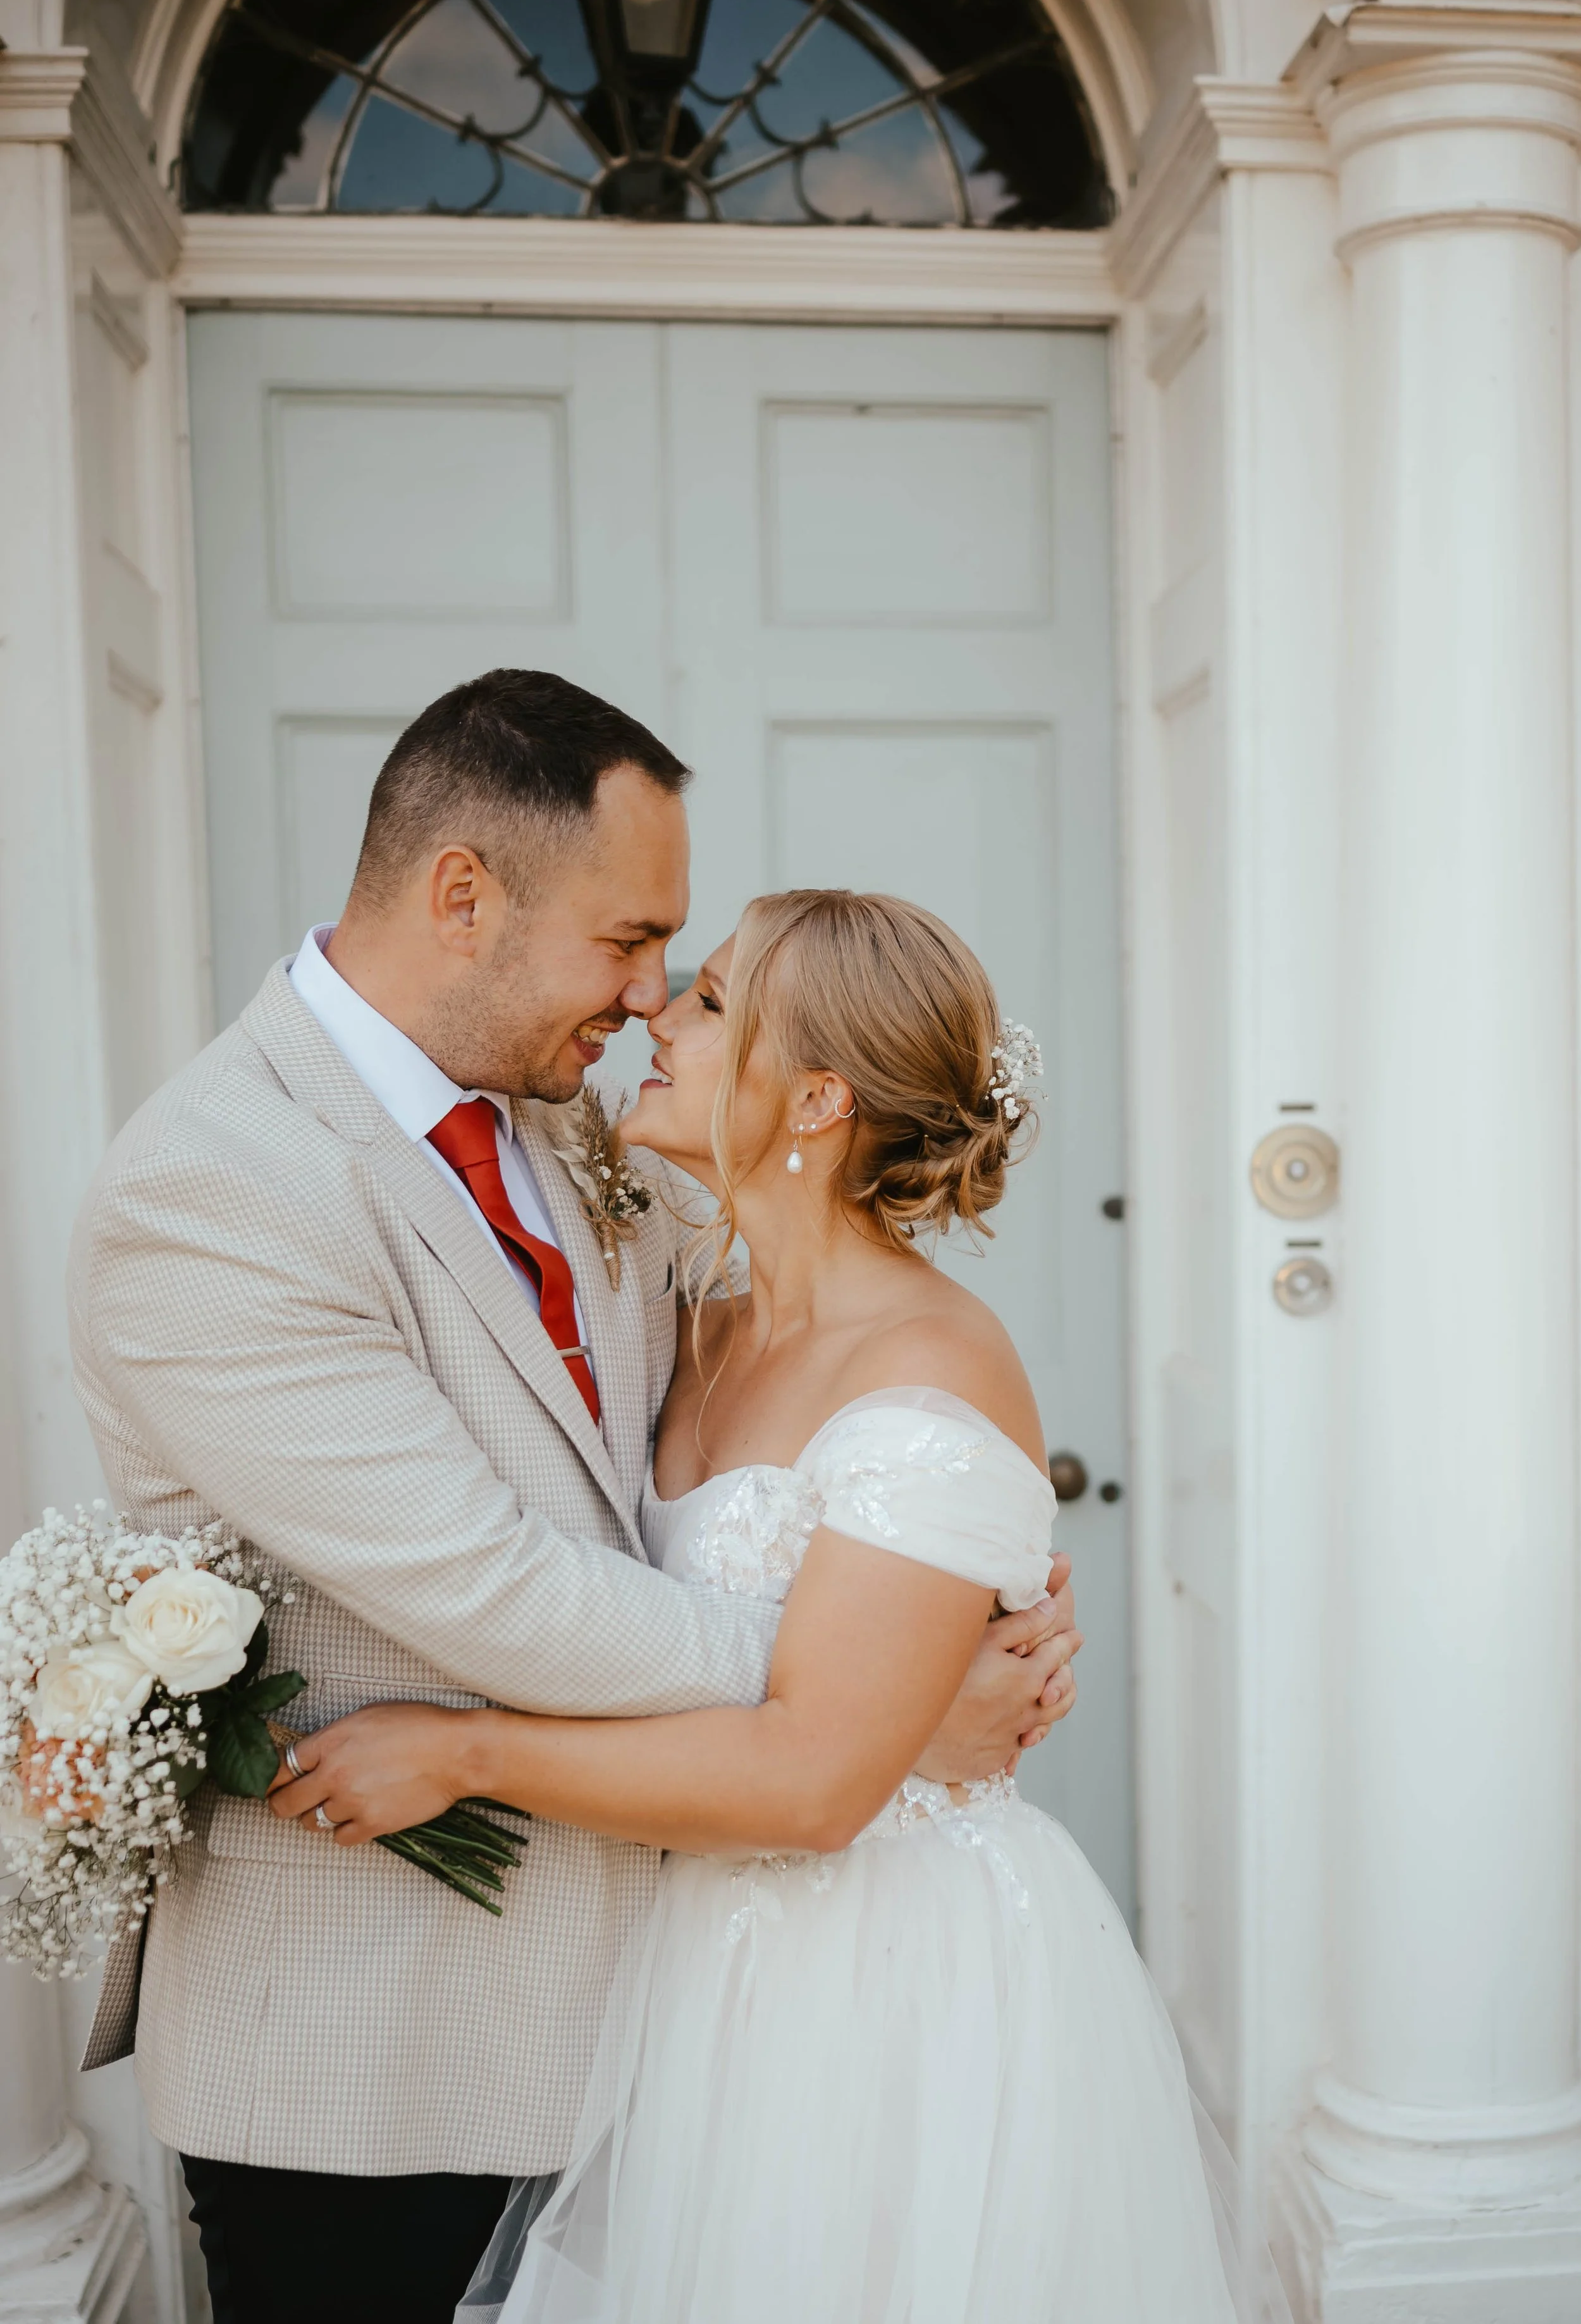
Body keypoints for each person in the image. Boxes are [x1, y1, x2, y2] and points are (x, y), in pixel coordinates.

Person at [67, 672, 1076, 2324]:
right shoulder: (213, 1189)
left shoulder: (581, 1120)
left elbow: (827, 1395)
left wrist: (922, 1610)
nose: (645, 999)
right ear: (464, 893)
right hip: (378, 2049)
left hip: (673, 2026)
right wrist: (871, 1699)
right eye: (628, 941)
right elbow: (494, 1587)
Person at [269, 889, 1281, 2324]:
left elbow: (815, 1783)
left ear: (814, 1092)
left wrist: (459, 1751)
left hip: (884, 1976)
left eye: (707, 1001)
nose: (651, 1015)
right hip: (687, 1956)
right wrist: (913, 1704)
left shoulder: (928, 1360)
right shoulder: (693, 1315)